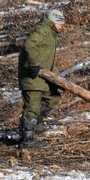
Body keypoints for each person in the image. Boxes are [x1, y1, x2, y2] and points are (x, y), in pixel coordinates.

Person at [17, 9, 65, 148]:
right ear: (54, 21)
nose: (62, 27)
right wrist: (34, 65)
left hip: (43, 77)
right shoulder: (42, 30)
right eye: (60, 24)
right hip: (32, 77)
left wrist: (57, 78)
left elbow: (48, 59)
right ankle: (27, 138)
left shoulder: (50, 33)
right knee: (32, 106)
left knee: (53, 97)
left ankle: (33, 124)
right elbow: (29, 44)